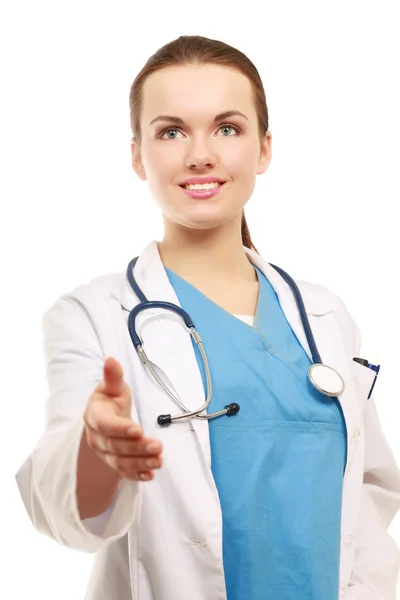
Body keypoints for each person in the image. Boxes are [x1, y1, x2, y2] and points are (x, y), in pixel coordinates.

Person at [15, 34, 400, 600]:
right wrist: (96, 451)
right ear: (136, 155)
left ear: (264, 148)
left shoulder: (324, 315)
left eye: (228, 128)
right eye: (171, 131)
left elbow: (367, 492)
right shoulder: (92, 315)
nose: (201, 153)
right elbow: (64, 514)